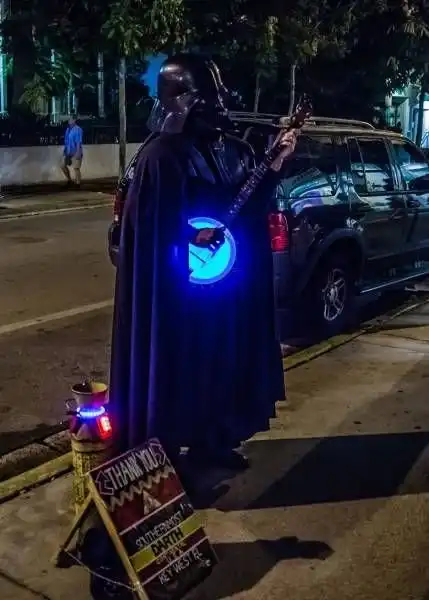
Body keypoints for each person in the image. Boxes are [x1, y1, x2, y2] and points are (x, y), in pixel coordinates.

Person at [109, 53, 298, 476]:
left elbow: (248, 206)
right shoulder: (161, 156)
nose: (216, 108)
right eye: (204, 99)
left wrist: (275, 165)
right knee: (175, 374)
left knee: (222, 367)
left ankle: (214, 442)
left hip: (225, 294)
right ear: (180, 102)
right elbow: (148, 224)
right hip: (177, 299)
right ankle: (166, 459)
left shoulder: (233, 150)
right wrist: (188, 235)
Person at [61, 114, 83, 187]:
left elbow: (78, 142)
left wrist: (78, 152)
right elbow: (66, 141)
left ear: (74, 120)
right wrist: (65, 151)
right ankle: (69, 180)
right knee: (62, 165)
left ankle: (78, 183)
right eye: (69, 119)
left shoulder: (78, 129)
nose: (69, 120)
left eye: (70, 119)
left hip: (76, 151)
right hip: (68, 152)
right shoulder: (68, 129)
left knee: (76, 168)